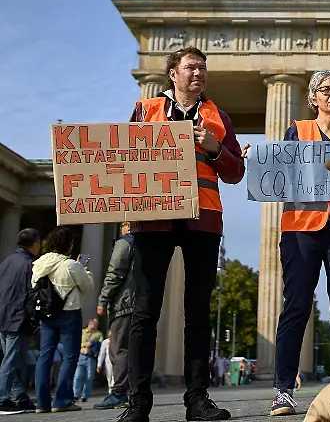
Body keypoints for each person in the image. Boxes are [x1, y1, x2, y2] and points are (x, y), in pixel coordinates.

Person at [121, 47, 244, 422]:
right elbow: (121, 160)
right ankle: (137, 402)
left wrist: (215, 148)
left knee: (198, 313)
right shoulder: (146, 110)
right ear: (172, 73)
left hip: (203, 218)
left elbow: (236, 171)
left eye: (203, 68)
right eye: (191, 67)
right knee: (144, 312)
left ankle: (197, 400)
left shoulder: (217, 116)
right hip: (154, 218)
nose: (199, 73)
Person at [270, 71, 330, 417]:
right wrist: (258, 159)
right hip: (301, 229)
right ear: (313, 98)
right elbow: (279, 173)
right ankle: (283, 388)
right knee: (296, 307)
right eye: (325, 90)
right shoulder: (297, 131)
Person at [32, 226, 92, 413]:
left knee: (45, 355)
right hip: (69, 312)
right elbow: (87, 287)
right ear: (69, 245)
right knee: (70, 356)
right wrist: (85, 270)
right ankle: (62, 400)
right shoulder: (71, 265)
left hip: (46, 314)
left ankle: (42, 403)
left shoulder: (39, 263)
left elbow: (34, 285)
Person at [0, 228, 41, 414]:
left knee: (12, 359)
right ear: (35, 243)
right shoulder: (31, 264)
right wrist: (35, 320)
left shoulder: (6, 262)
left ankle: (21, 397)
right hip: (18, 318)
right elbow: (31, 295)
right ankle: (2, 398)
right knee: (11, 360)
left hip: (2, 317)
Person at [94, 221, 133, 409]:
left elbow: (115, 273)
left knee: (119, 349)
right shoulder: (148, 245)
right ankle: (136, 392)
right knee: (135, 349)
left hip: (125, 303)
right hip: (143, 304)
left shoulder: (125, 243)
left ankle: (119, 392)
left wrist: (102, 300)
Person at [73, 318, 103, 402]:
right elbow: (76, 343)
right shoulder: (82, 332)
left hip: (91, 357)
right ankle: (75, 394)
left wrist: (93, 344)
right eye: (95, 324)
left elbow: (100, 344)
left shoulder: (98, 334)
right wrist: (85, 344)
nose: (96, 325)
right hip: (81, 356)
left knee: (89, 377)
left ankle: (85, 395)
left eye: (97, 324)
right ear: (90, 323)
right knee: (78, 376)